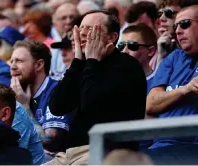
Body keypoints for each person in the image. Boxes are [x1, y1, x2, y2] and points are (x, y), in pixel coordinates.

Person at [47, 10, 147, 165]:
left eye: (91, 29)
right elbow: (57, 106)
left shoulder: (127, 66)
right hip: (69, 153)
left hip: (106, 152)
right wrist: (78, 61)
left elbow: (91, 106)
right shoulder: (83, 65)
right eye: (81, 29)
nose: (83, 33)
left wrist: (92, 60)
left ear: (112, 37)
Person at [145, 5, 198, 164]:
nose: (178, 31)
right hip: (161, 147)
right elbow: (151, 104)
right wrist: (185, 89)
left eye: (185, 24)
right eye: (176, 26)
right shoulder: (172, 58)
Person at [10, 40, 73, 156]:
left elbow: (51, 140)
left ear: (39, 65)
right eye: (11, 61)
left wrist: (24, 108)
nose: (12, 67)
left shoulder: (56, 90)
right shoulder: (15, 97)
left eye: (19, 61)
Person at [119, 23, 157, 93]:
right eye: (121, 45)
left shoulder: (159, 83)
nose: (124, 51)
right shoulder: (113, 81)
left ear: (150, 51)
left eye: (132, 45)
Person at [156, 0, 182, 69]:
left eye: (168, 13)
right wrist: (161, 56)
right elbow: (157, 79)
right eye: (160, 14)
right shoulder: (164, 45)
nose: (161, 18)